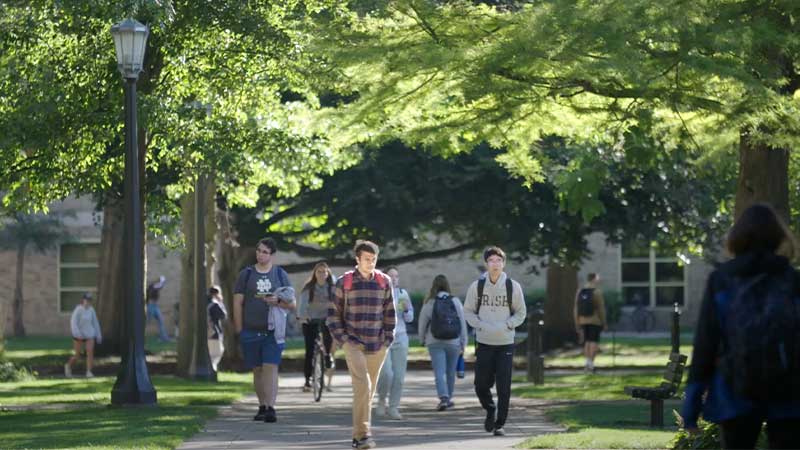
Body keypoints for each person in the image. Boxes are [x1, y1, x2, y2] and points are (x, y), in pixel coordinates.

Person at [682, 203, 800, 449]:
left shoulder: (722, 280)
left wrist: (691, 406)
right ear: (779, 236)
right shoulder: (791, 279)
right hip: (788, 390)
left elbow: (706, 343)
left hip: (734, 391)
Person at [327, 240, 395, 450]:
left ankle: (359, 436)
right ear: (357, 260)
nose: (371, 263)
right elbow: (333, 315)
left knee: (368, 391)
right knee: (363, 386)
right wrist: (343, 339)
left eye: (374, 259)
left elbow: (390, 312)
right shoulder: (344, 282)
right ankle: (364, 435)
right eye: (367, 259)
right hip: (353, 342)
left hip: (377, 343)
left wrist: (387, 340)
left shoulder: (384, 281)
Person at [464, 246, 526, 437]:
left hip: (505, 343)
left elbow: (521, 313)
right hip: (484, 342)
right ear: (486, 264)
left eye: (499, 260)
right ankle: (490, 409)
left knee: (504, 385)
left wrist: (508, 325)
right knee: (481, 385)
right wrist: (480, 325)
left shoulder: (512, 286)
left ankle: (500, 424)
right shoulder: (477, 286)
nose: (495, 264)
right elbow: (468, 311)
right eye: (491, 260)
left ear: (504, 263)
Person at [233, 237, 296, 424]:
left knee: (270, 367)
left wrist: (277, 301)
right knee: (258, 370)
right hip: (250, 329)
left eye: (265, 252)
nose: (261, 254)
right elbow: (237, 302)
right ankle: (262, 405)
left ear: (272, 255)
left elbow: (292, 304)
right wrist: (238, 329)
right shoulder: (246, 274)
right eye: (259, 251)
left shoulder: (280, 274)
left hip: (273, 330)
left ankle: (271, 407)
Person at [418, 274, 467, 411]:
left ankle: (443, 397)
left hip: (434, 342)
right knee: (450, 372)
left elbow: (422, 323)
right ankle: (449, 398)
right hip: (453, 342)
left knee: (439, 372)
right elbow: (462, 323)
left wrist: (422, 339)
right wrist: (463, 342)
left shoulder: (430, 302)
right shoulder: (455, 301)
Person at [375, 266, 414, 419]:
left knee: (399, 376)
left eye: (396, 276)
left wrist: (406, 310)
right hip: (383, 337)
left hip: (401, 337)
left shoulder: (403, 294)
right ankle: (381, 400)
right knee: (386, 373)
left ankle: (393, 407)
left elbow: (410, 318)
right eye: (391, 276)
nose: (394, 279)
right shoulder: (378, 295)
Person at [297, 261, 336, 392]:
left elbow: (339, 303)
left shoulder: (332, 287)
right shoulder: (309, 287)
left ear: (328, 273)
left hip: (327, 319)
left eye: (324, 272)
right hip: (311, 319)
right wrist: (302, 316)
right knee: (309, 350)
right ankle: (308, 379)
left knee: (328, 337)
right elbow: (302, 304)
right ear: (315, 273)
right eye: (319, 272)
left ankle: (327, 356)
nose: (322, 274)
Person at [573, 272, 606, 373]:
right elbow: (601, 309)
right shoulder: (597, 292)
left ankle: (587, 363)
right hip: (594, 321)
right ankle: (591, 364)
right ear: (594, 279)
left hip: (582, 320)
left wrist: (577, 321)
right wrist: (604, 322)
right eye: (597, 278)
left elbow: (576, 308)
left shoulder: (580, 291)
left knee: (586, 342)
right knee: (593, 341)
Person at [64, 292, 102, 378]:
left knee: (90, 352)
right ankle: (68, 366)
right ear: (83, 300)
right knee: (77, 355)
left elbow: (95, 323)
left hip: (89, 334)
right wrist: (77, 333)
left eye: (90, 301)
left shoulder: (91, 310)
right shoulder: (78, 309)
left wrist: (98, 334)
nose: (88, 302)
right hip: (79, 335)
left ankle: (89, 372)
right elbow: (73, 323)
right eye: (86, 300)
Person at [207, 285, 228, 372]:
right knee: (216, 353)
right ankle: (212, 372)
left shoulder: (205, 303)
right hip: (214, 332)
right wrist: (221, 302)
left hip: (207, 332)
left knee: (214, 353)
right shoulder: (215, 305)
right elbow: (223, 315)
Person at [146, 275, 171, 342]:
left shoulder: (155, 286)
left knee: (161, 321)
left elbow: (160, 286)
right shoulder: (153, 286)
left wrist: (162, 281)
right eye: (161, 281)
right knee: (147, 322)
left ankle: (164, 338)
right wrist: (162, 280)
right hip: (150, 306)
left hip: (155, 306)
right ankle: (138, 337)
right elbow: (160, 286)